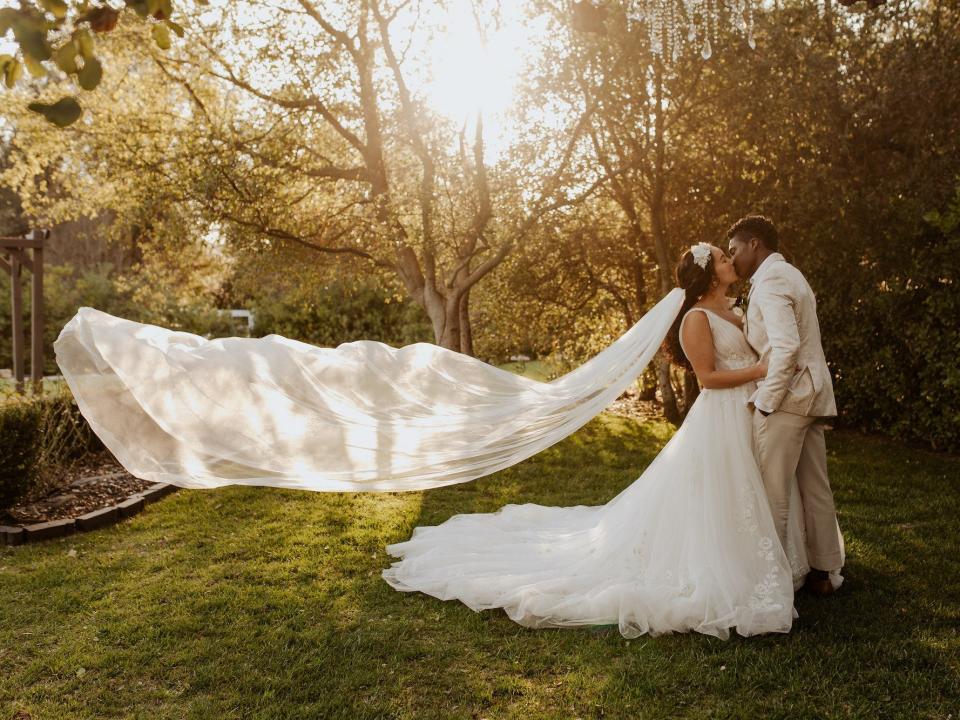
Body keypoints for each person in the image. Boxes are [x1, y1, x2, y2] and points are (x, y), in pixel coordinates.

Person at [382, 242, 842, 639]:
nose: (731, 261)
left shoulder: (733, 310)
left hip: (748, 414)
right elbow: (707, 378)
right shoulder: (697, 319)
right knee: (726, 494)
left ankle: (779, 564)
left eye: (728, 255)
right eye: (723, 258)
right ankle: (736, 570)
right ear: (708, 274)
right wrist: (761, 372)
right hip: (722, 415)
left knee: (756, 491)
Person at [727, 215, 845, 597]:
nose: (732, 259)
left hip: (790, 398)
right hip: (811, 396)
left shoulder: (772, 281)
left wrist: (766, 401)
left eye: (735, 250)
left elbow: (787, 347)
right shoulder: (790, 274)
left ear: (755, 244)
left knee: (772, 493)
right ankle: (824, 572)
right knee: (815, 487)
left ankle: (772, 584)